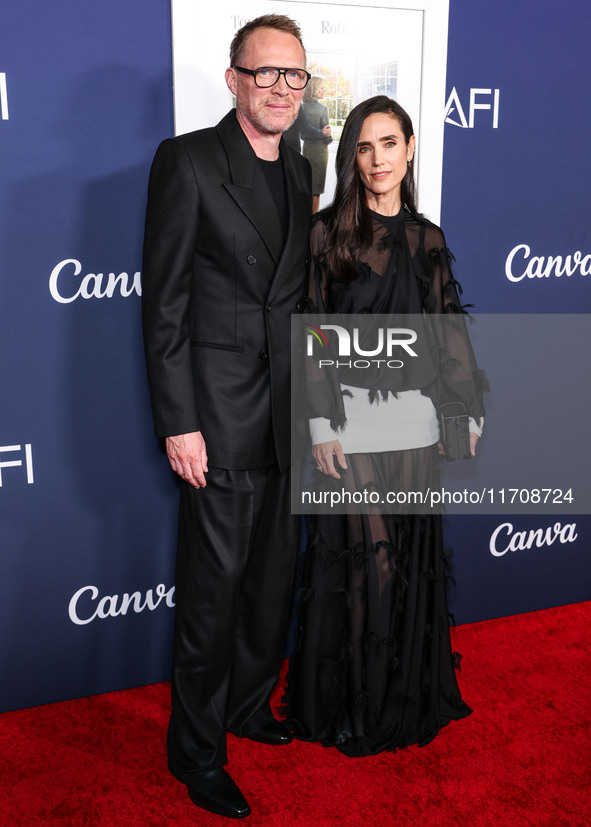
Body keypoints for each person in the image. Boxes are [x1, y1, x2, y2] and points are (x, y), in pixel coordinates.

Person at [141, 14, 312, 819]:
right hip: (217, 419)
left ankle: (248, 706)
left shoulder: (302, 170)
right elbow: (165, 302)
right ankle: (197, 751)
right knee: (211, 597)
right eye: (266, 72)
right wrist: (179, 420)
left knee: (269, 585)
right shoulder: (188, 160)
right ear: (234, 78)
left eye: (293, 76)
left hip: (290, 418)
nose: (280, 88)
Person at [283, 96, 486, 757]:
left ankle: (401, 699)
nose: (376, 160)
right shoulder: (325, 235)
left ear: (410, 146)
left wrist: (460, 410)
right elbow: (310, 331)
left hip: (413, 426)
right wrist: (319, 422)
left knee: (404, 565)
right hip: (348, 428)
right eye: (364, 148)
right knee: (368, 565)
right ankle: (352, 709)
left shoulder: (427, 239)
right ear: (351, 157)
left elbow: (447, 333)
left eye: (388, 144)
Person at [301, 77, 332, 213]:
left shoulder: (301, 108)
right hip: (319, 153)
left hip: (306, 150)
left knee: (307, 188)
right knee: (316, 192)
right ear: (314, 89)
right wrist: (328, 137)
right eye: (321, 88)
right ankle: (313, 223)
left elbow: (302, 133)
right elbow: (327, 136)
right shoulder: (322, 109)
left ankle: (305, 222)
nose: (324, 90)